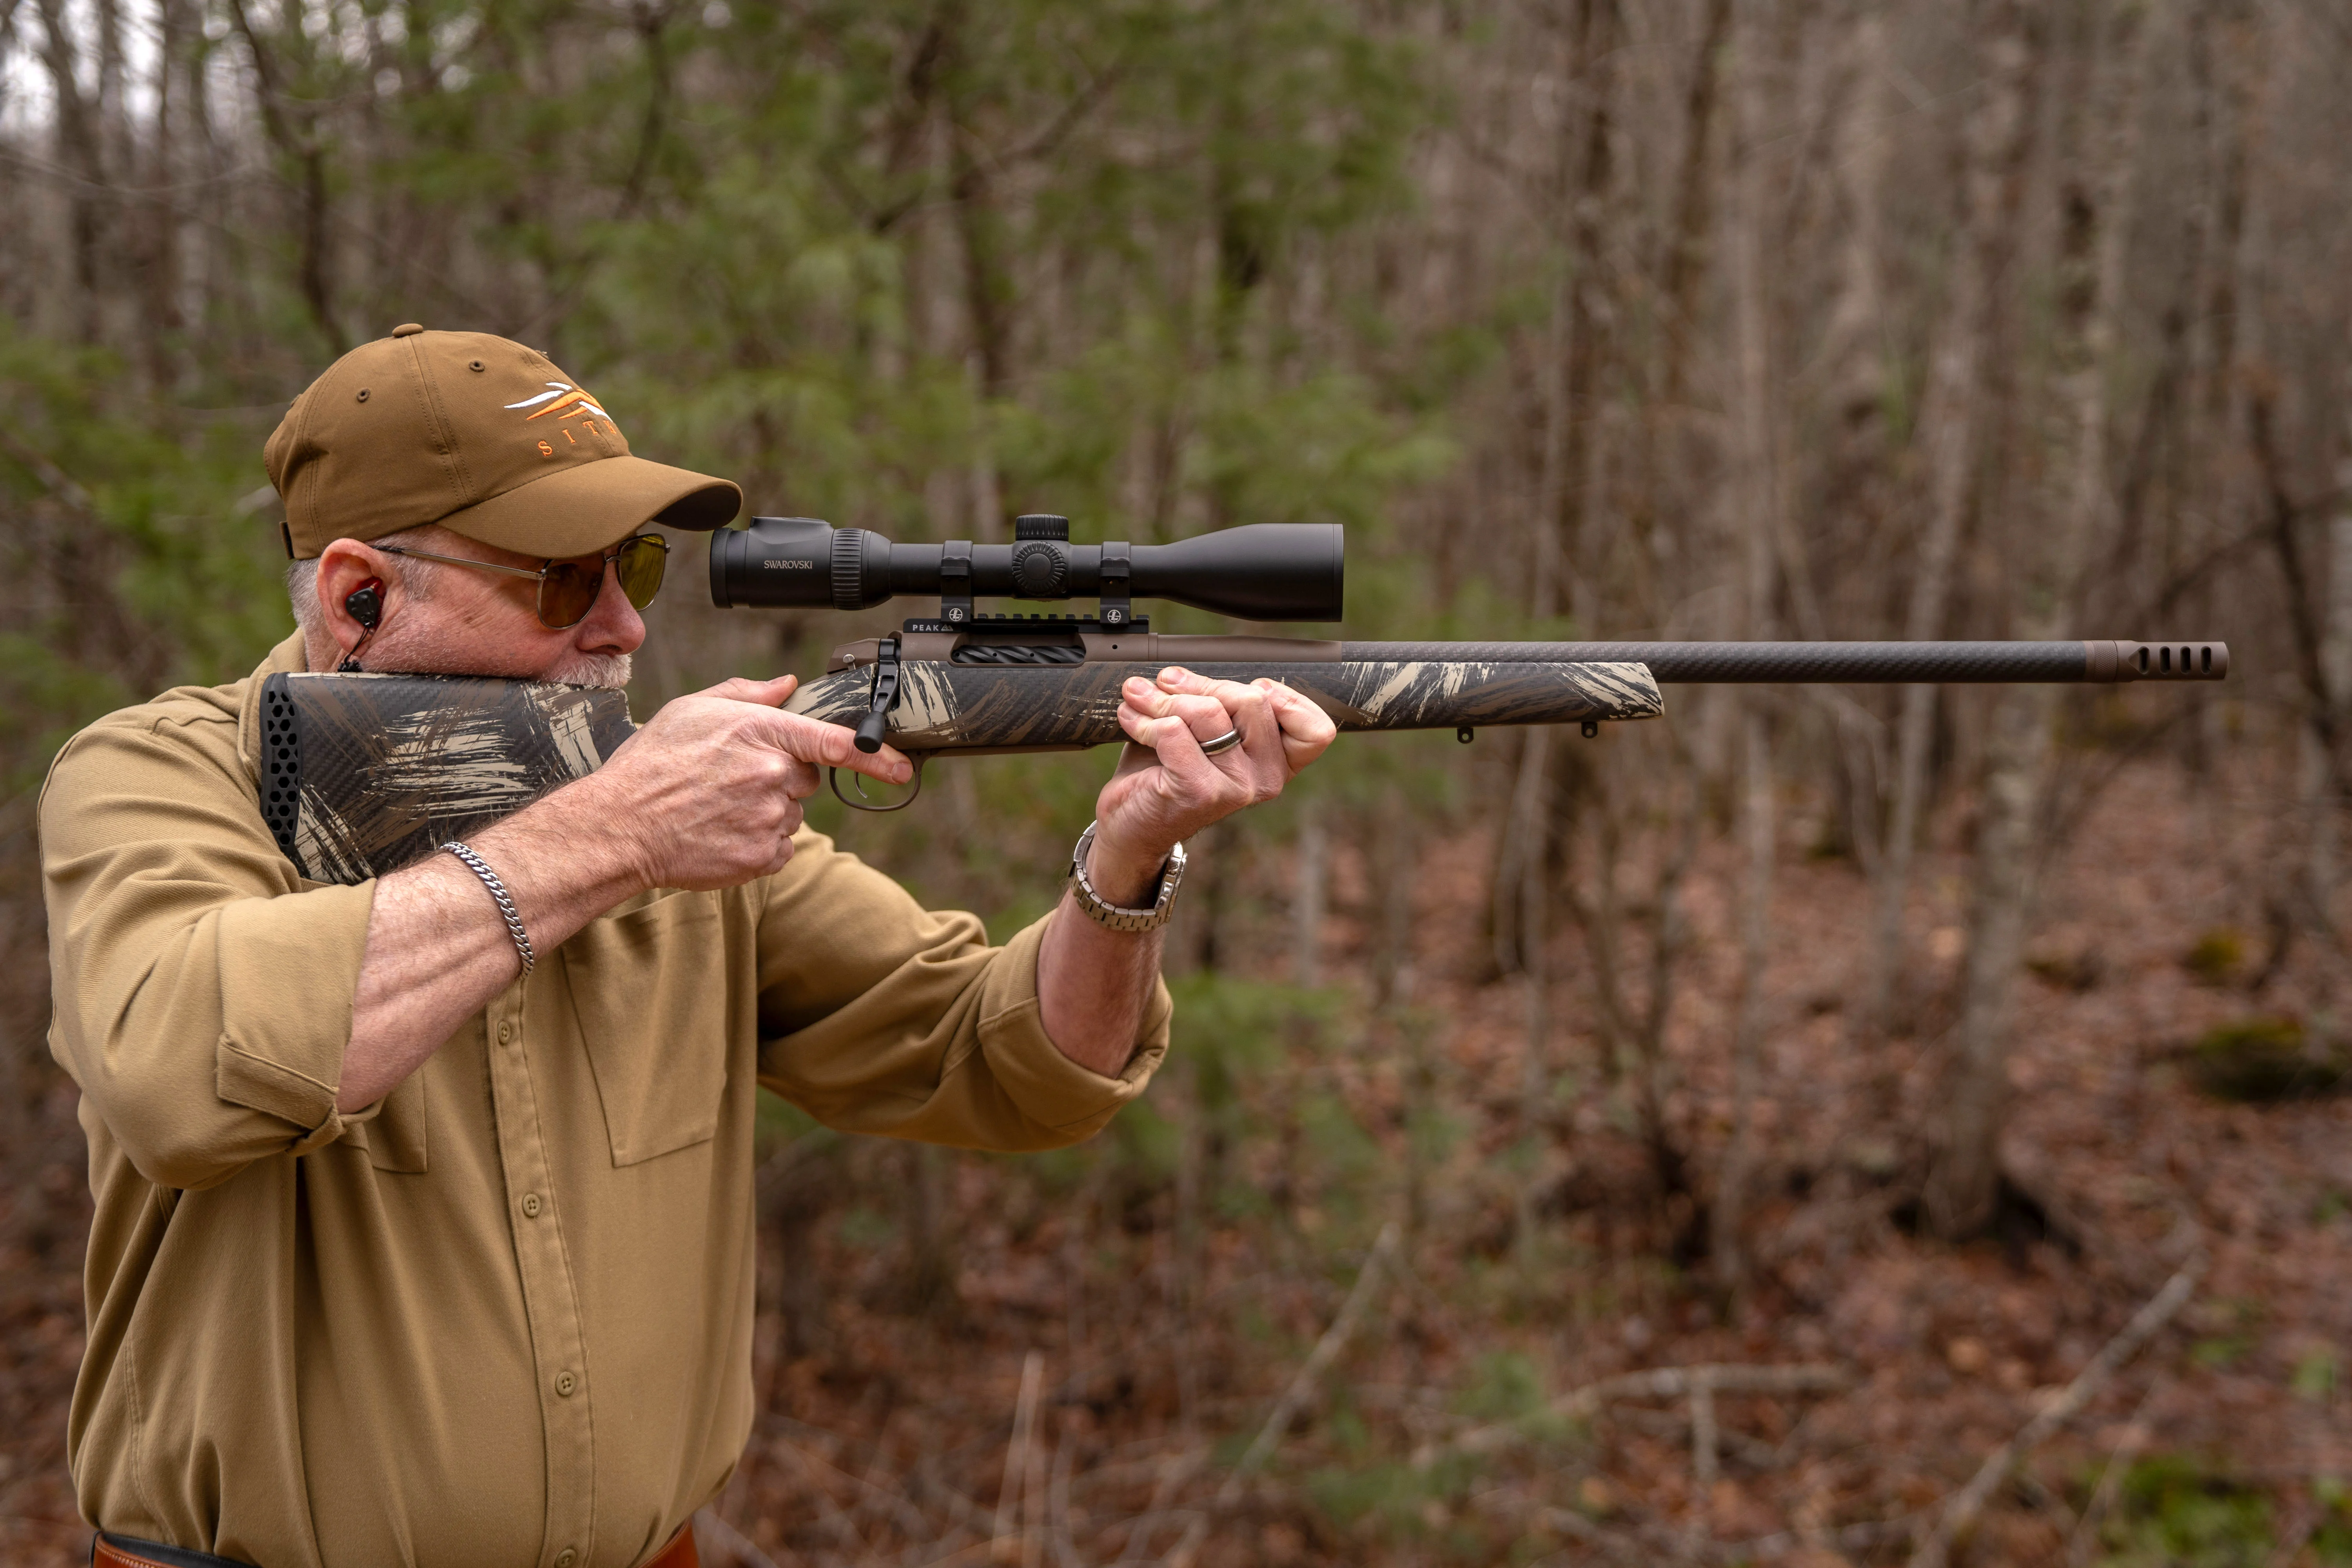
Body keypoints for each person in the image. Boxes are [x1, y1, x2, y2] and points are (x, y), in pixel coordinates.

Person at [40, 324, 1336, 1568]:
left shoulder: (670, 817)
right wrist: (612, 840)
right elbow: (178, 1070)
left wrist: (1126, 860)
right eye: (565, 579)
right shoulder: (161, 777)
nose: (625, 629)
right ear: (359, 593)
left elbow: (1005, 1067)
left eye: (636, 569)